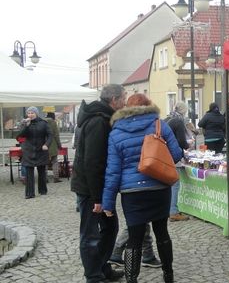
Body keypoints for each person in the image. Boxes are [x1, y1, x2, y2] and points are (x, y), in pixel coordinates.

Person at [102, 93, 182, 283]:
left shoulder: (116, 132)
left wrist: (108, 203)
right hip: (159, 187)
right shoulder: (159, 125)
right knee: (162, 233)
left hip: (132, 194)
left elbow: (112, 171)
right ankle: (168, 276)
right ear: (148, 105)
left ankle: (132, 279)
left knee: (134, 238)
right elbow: (176, 155)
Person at [71, 84, 126, 283]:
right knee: (91, 234)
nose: (125, 102)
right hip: (90, 189)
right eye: (124, 98)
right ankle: (93, 276)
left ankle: (102, 267)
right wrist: (97, 197)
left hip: (98, 187)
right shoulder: (98, 121)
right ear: (114, 100)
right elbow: (93, 161)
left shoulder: (104, 117)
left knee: (111, 228)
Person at [17, 106, 52, 199]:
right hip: (28, 151)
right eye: (29, 113)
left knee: (41, 172)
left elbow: (50, 135)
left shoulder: (44, 123)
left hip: (41, 150)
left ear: (36, 114)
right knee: (29, 173)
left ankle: (43, 190)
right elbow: (20, 135)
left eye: (32, 113)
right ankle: (29, 193)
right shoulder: (24, 123)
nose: (30, 115)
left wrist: (47, 144)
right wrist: (26, 126)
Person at [166, 101, 192, 222]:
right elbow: (181, 141)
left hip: (164, 155)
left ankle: (169, 209)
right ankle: (173, 212)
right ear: (183, 110)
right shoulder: (179, 121)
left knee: (167, 184)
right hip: (173, 156)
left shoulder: (168, 118)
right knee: (175, 184)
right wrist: (188, 145)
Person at [45, 112, 62, 183]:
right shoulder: (54, 123)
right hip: (53, 145)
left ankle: (44, 178)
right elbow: (56, 135)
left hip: (44, 145)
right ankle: (56, 178)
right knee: (55, 161)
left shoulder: (42, 122)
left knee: (44, 162)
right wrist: (59, 145)